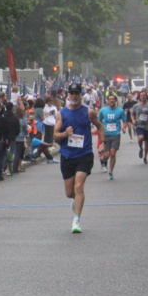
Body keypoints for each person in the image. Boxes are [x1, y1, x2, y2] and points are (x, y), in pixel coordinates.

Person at [54, 83, 106, 233]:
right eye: (72, 93)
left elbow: (100, 126)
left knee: (79, 186)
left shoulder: (89, 112)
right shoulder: (62, 113)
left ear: (80, 95)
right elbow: (55, 136)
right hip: (67, 155)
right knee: (70, 192)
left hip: (84, 154)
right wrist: (65, 134)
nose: (74, 96)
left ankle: (76, 221)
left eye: (77, 93)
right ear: (68, 95)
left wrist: (103, 143)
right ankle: (74, 200)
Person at [97, 93, 126, 179]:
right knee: (107, 155)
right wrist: (100, 130)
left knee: (113, 153)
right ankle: (102, 159)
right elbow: (98, 121)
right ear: (107, 101)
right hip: (106, 135)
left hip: (116, 134)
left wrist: (124, 127)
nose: (111, 101)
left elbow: (124, 121)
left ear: (115, 100)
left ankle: (110, 172)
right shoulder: (103, 110)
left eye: (113, 99)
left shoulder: (120, 111)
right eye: (110, 99)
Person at [131, 89, 148, 164]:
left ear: (146, 96)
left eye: (144, 95)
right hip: (139, 125)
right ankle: (141, 148)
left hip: (147, 126)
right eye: (141, 95)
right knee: (141, 137)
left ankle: (145, 157)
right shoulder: (136, 106)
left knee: (147, 143)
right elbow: (132, 114)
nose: (143, 97)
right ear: (139, 97)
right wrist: (133, 120)